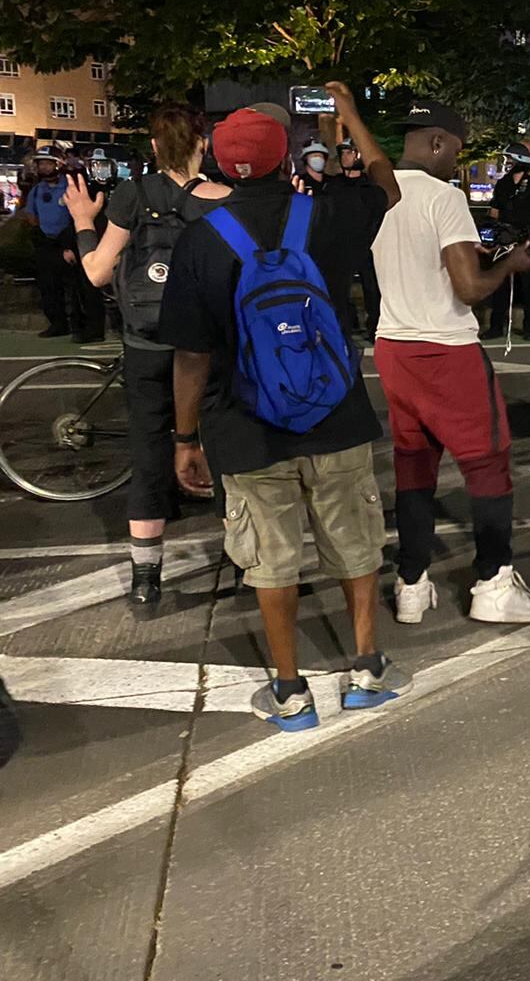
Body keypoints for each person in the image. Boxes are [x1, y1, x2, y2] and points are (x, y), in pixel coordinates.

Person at [159, 85, 409, 732]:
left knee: (271, 559)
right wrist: (347, 117)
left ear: (218, 162)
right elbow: (387, 184)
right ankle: (366, 672)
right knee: (355, 541)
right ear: (286, 158)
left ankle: (291, 693)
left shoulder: (200, 241)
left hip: (246, 426)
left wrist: (185, 438)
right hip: (335, 415)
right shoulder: (328, 214)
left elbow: (191, 356)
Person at [371, 101, 530, 627]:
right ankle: (494, 584)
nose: (458, 161)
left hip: (394, 345)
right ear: (437, 142)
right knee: (486, 463)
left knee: (414, 465)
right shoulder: (444, 196)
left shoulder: (379, 194)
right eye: (456, 149)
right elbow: (469, 288)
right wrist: (510, 264)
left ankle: (411, 583)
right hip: (446, 348)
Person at [62, 104, 233, 615]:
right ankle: (245, 563)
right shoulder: (225, 199)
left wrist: (83, 222)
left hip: (145, 345)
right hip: (206, 347)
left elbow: (97, 272)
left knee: (148, 452)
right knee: (223, 448)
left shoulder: (132, 194)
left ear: (155, 146)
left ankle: (145, 578)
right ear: (203, 144)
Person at [23, 147, 105, 342]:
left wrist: (69, 244)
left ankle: (84, 327)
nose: (43, 168)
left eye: (47, 163)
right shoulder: (37, 190)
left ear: (58, 164)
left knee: (79, 288)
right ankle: (58, 324)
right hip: (47, 244)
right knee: (49, 287)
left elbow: (80, 216)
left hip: (71, 243)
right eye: (41, 164)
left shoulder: (72, 187)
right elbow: (31, 215)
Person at [319, 137, 384, 339]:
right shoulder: (333, 186)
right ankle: (344, 328)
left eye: (349, 152)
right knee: (339, 290)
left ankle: (375, 327)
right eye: (343, 153)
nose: (345, 157)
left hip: (367, 244)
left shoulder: (370, 187)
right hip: (340, 245)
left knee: (372, 289)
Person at [486, 143, 530, 339]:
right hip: (504, 240)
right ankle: (496, 327)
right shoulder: (504, 183)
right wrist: (494, 235)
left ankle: (529, 328)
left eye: (510, 159)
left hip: (525, 240)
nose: (507, 163)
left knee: (529, 287)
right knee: (500, 285)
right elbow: (495, 210)